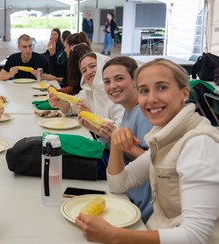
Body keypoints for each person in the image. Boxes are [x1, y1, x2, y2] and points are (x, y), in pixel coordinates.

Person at [76, 58, 219, 244]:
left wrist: (113, 235)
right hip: (152, 228)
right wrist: (116, 146)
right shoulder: (164, 137)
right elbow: (118, 185)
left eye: (162, 87)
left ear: (184, 93)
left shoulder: (198, 144)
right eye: (144, 90)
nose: (151, 99)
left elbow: (196, 236)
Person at [101, 56, 153, 223]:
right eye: (107, 81)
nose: (112, 86)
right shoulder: (127, 111)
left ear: (135, 81)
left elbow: (155, 161)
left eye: (119, 79)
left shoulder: (145, 113)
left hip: (142, 208)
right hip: (125, 192)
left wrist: (118, 141)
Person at [49, 52, 124, 135]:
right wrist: (59, 103)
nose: (88, 72)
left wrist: (90, 117)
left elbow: (118, 133)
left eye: (92, 66)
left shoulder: (117, 93)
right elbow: (71, 107)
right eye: (84, 70)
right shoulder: (87, 91)